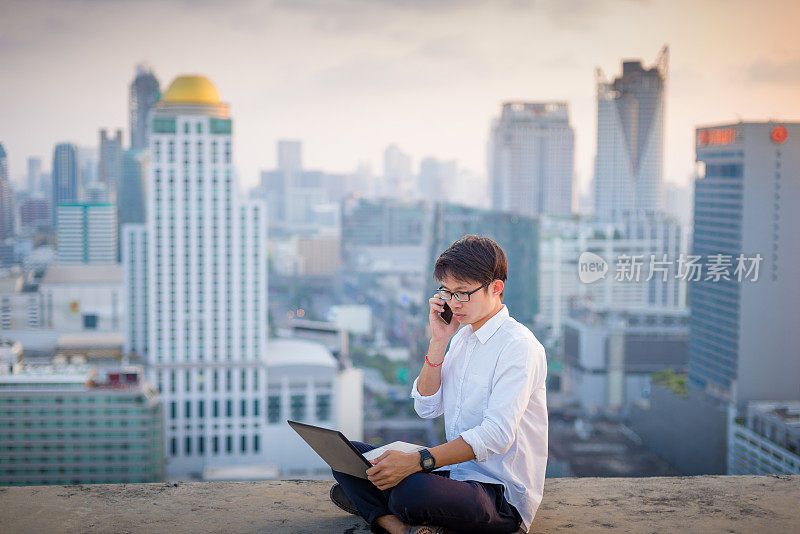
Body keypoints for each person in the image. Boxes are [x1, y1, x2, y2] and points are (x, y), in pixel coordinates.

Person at [330, 235, 548, 534]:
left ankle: (384, 505)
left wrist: (418, 461)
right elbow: (427, 407)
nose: (453, 303)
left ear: (496, 288)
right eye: (447, 292)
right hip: (456, 476)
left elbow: (497, 435)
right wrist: (438, 341)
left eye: (462, 293)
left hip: (499, 495)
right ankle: (397, 524)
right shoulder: (461, 338)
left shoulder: (519, 347)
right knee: (349, 457)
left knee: (411, 492)